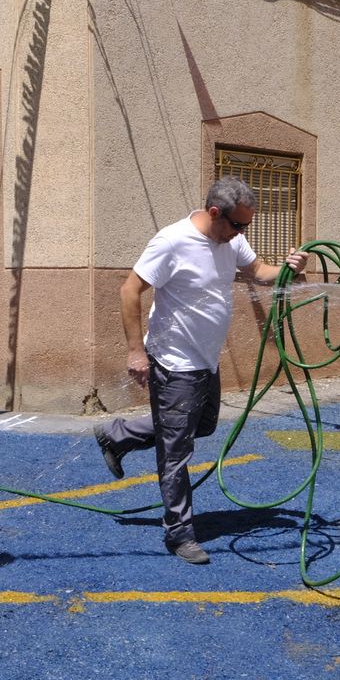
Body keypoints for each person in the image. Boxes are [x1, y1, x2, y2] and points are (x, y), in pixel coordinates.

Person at [93, 177, 309, 565]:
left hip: (206, 360)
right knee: (176, 450)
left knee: (203, 426)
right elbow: (129, 290)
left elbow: (259, 270)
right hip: (175, 362)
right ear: (214, 213)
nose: (242, 233)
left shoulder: (231, 239)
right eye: (238, 225)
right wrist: (135, 352)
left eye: (246, 225)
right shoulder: (172, 241)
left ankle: (118, 435)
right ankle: (179, 532)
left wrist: (290, 269)